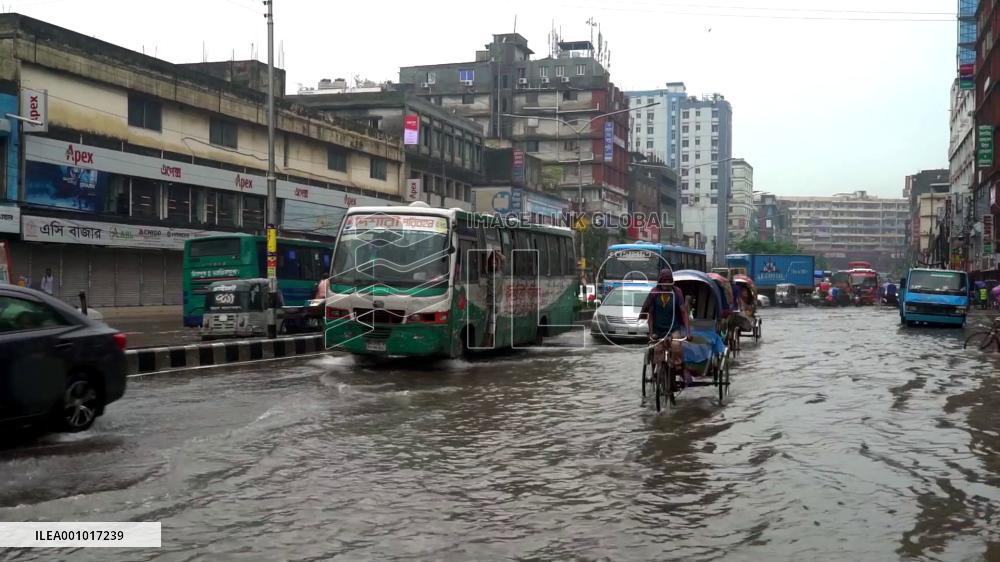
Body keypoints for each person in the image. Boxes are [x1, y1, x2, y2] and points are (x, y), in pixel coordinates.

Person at [640, 269, 691, 372]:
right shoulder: (654, 293)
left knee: (676, 346)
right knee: (657, 350)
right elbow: (650, 315)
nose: (666, 285)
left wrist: (688, 331)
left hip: (673, 329)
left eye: (668, 282)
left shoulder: (677, 292)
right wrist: (651, 332)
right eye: (664, 282)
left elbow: (683, 312)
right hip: (657, 330)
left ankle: (677, 367)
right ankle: (658, 374)